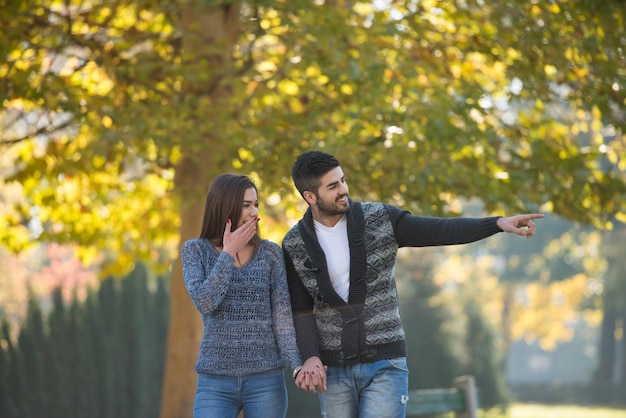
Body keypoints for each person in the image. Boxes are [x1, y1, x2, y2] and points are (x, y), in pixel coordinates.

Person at [282, 151, 544, 418]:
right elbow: (301, 310)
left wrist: (497, 223)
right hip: (333, 370)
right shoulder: (294, 243)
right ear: (310, 197)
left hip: (385, 364)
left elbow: (439, 230)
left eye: (343, 180)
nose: (344, 190)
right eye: (333, 186)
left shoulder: (379, 219)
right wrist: (311, 356)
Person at [181, 173, 302, 418]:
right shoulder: (195, 250)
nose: (253, 212)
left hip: (266, 379)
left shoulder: (270, 253)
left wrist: (297, 363)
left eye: (256, 204)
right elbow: (205, 302)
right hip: (215, 380)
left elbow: (281, 316)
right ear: (225, 206)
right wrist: (228, 253)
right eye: (246, 205)